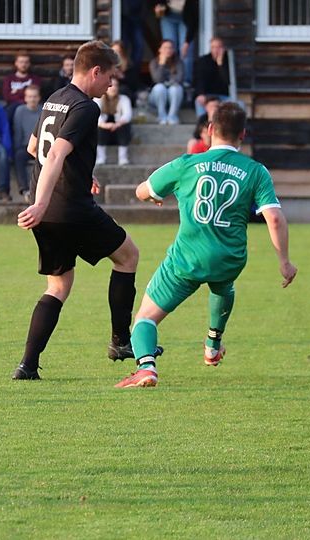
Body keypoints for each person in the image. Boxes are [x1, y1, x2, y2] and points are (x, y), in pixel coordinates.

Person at [116, 101, 297, 388]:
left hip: (188, 259)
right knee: (223, 286)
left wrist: (153, 195)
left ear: (210, 129)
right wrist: (284, 262)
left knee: (145, 318)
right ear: (243, 134)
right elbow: (274, 218)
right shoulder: (256, 171)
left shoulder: (187, 163)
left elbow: (142, 191)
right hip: (230, 259)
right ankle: (213, 345)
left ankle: (146, 367)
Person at [12, 40, 161, 381]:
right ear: (95, 72)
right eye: (109, 76)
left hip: (47, 213)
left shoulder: (54, 99)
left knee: (58, 286)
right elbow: (55, 153)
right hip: (69, 208)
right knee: (128, 256)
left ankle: (27, 365)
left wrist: (75, 176)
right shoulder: (86, 107)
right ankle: (121, 341)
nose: (110, 84)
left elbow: (34, 147)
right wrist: (42, 202)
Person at [155, 0, 198, 86]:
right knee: (168, 49)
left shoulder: (191, 3)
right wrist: (157, 7)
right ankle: (167, 80)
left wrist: (187, 41)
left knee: (186, 51)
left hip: (186, 17)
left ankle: (186, 81)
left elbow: (194, 20)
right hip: (168, 17)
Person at [12, 84, 42, 202]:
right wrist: (16, 148)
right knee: (19, 156)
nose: (32, 99)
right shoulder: (20, 111)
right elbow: (18, 132)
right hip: (25, 147)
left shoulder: (44, 110)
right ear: (25, 98)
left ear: (39, 97)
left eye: (34, 96)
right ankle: (25, 190)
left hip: (41, 147)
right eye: (29, 96)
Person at [95, 78, 133, 166]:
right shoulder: (98, 99)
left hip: (119, 134)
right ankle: (101, 158)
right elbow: (95, 116)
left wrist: (117, 124)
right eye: (111, 85)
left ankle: (123, 158)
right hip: (104, 134)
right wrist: (105, 125)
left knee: (124, 126)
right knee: (98, 128)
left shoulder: (124, 99)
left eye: (116, 85)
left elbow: (127, 115)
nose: (114, 88)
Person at [149, 39, 184, 125]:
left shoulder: (178, 62)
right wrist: (162, 64)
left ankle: (172, 116)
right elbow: (157, 80)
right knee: (159, 87)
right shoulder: (154, 62)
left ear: (173, 50)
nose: (168, 50)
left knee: (176, 88)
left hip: (173, 95)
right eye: (165, 48)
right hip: (157, 97)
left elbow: (179, 79)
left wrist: (167, 83)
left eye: (170, 48)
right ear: (160, 49)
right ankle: (162, 116)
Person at [193, 37, 230, 117]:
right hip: (207, 94)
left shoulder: (229, 61)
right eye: (213, 47)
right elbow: (199, 79)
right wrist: (200, 94)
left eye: (218, 47)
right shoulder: (203, 61)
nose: (216, 50)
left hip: (223, 95)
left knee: (236, 104)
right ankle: (202, 123)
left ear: (223, 48)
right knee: (199, 101)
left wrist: (220, 65)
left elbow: (227, 81)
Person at [1, 52, 42, 121]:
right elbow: (7, 97)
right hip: (12, 108)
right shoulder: (9, 79)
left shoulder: (35, 79)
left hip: (30, 106)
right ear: (16, 63)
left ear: (29, 64)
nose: (23, 64)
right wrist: (24, 92)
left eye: (26, 62)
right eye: (21, 62)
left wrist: (16, 92)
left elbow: (36, 95)